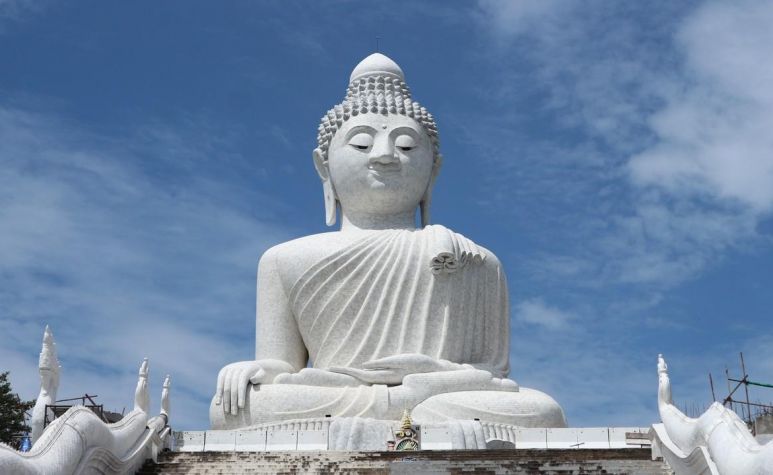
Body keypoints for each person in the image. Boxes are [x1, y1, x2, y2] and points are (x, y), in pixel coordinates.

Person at [210, 53, 566, 429]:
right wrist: (255, 370)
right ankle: (409, 415)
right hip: (342, 395)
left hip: (436, 394)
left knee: (543, 411)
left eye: (407, 146)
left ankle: (402, 413)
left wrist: (428, 374)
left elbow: (489, 375)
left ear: (434, 170)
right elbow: (281, 365)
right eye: (362, 144)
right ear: (323, 167)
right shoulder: (284, 259)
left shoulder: (476, 260)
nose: (385, 156)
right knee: (232, 407)